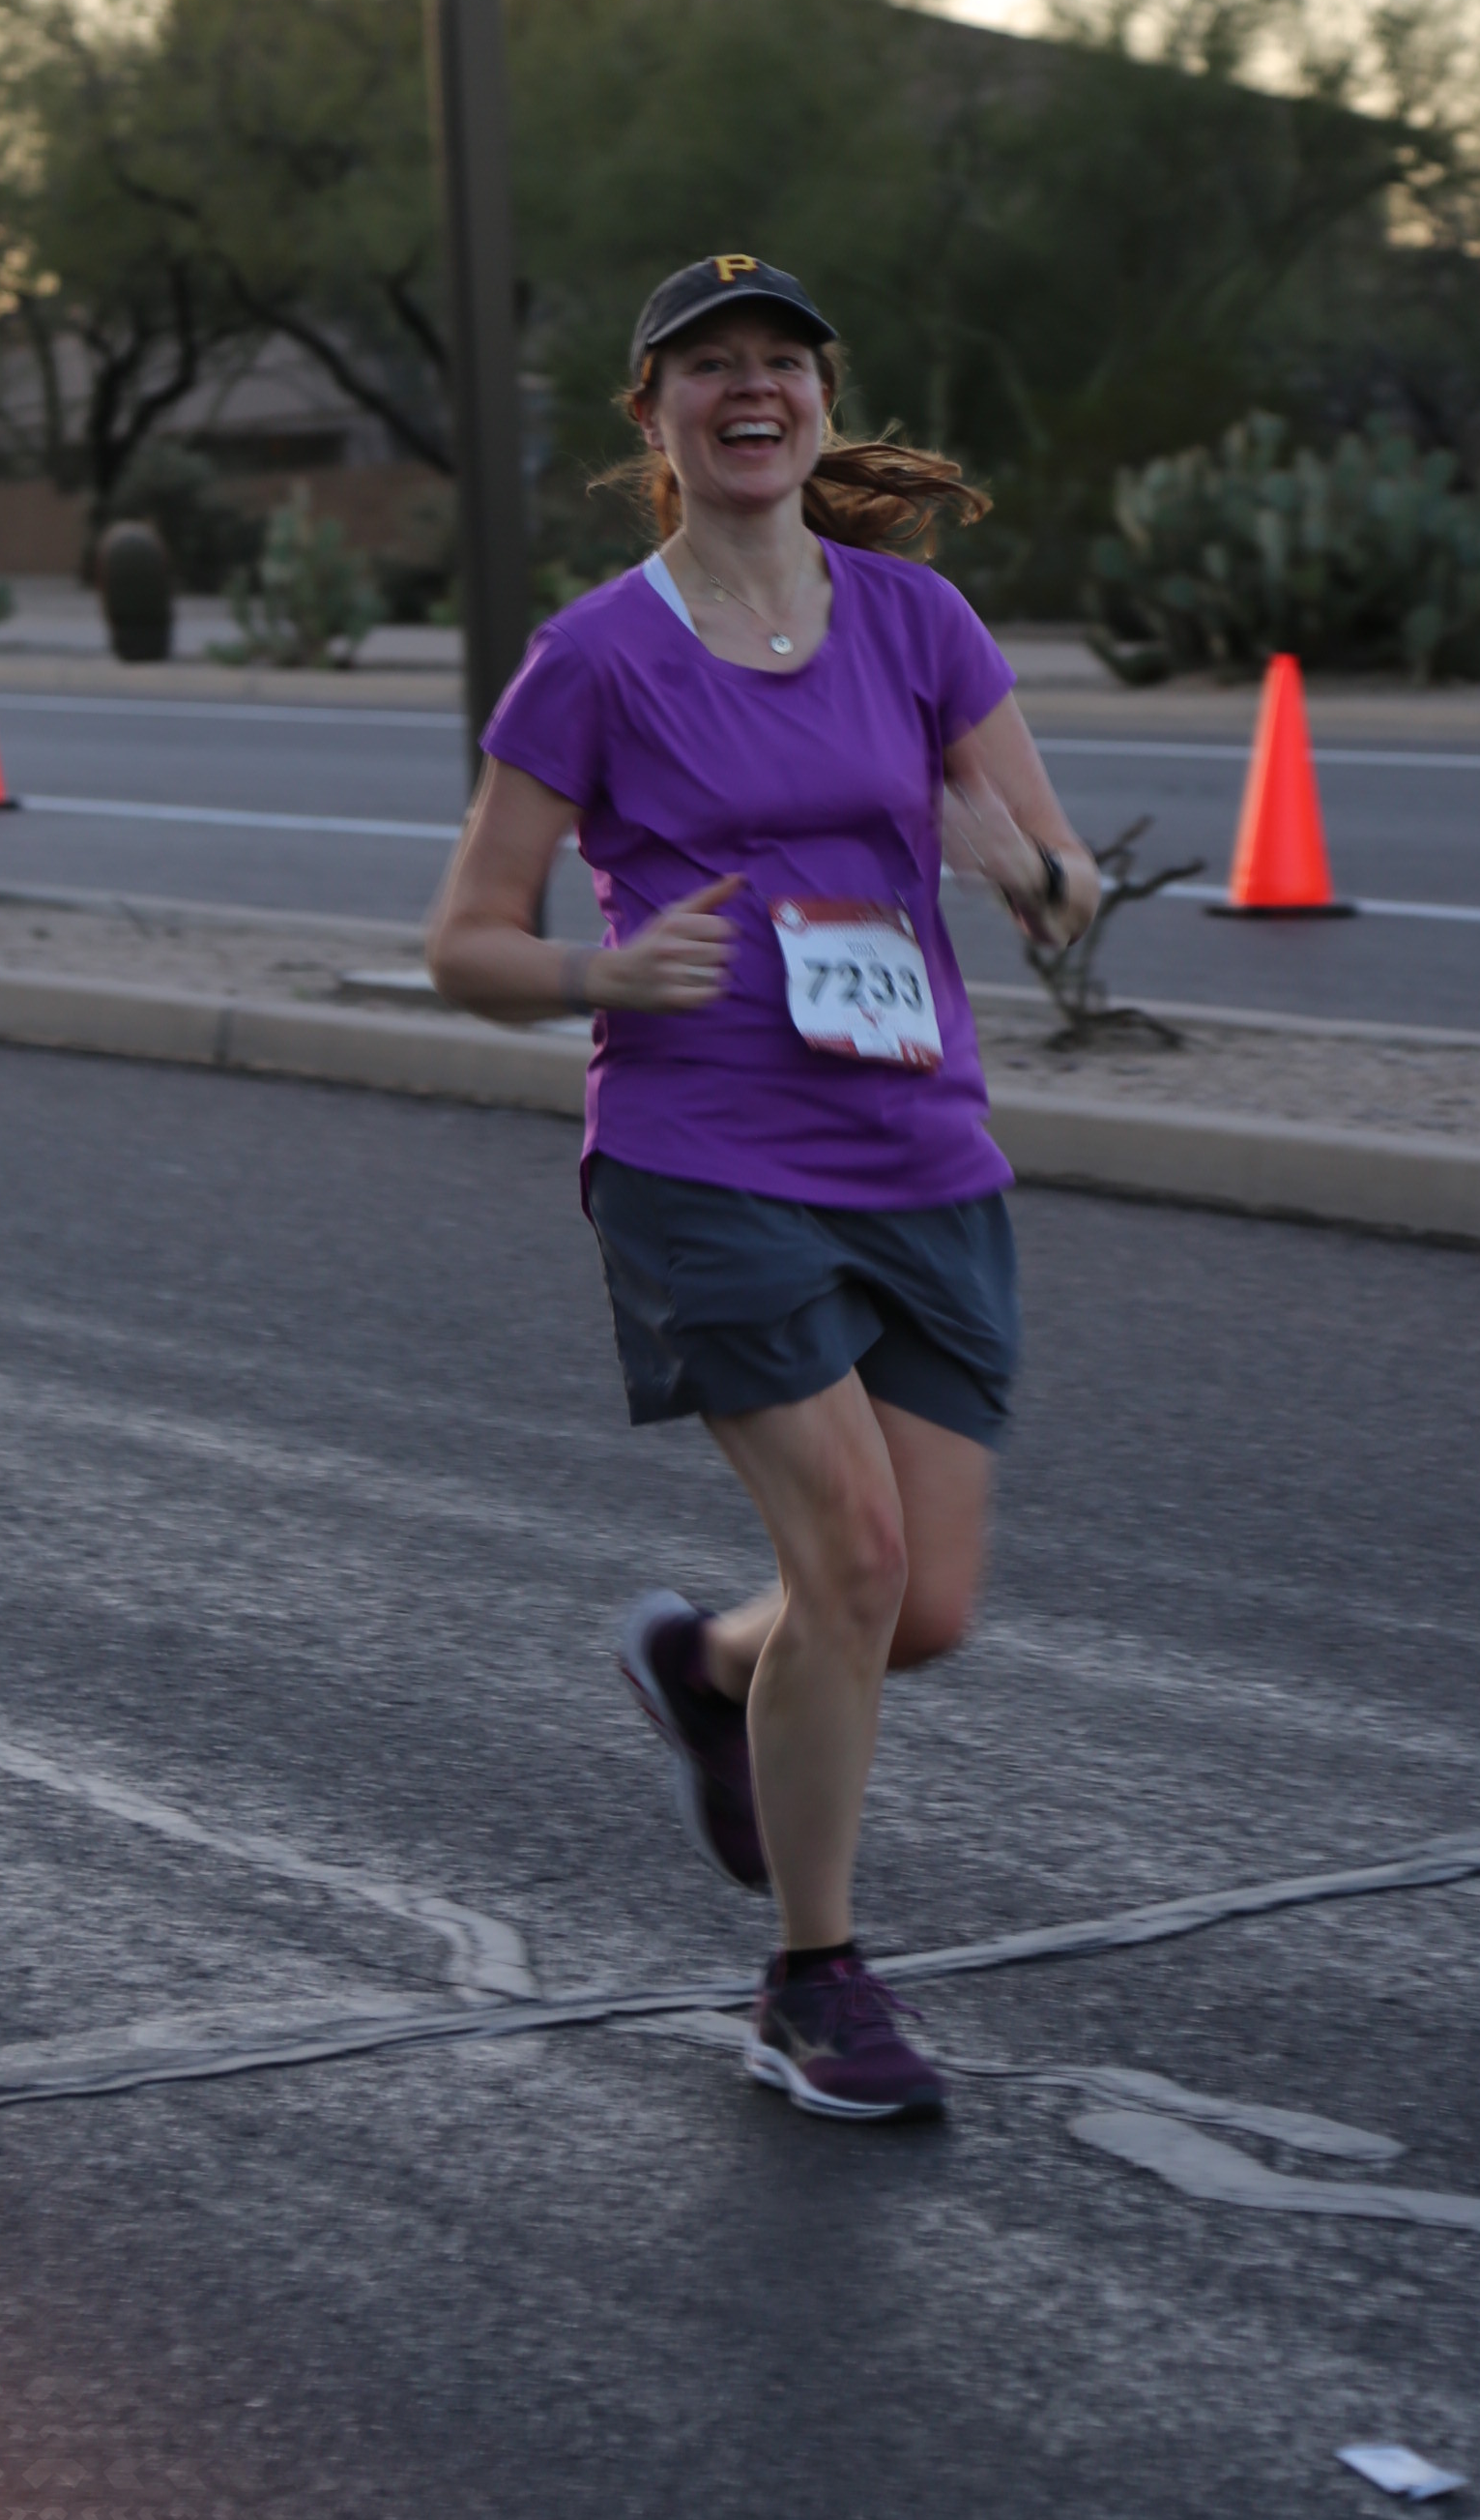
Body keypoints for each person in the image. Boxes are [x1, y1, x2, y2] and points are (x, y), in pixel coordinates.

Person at [427, 255, 1099, 2122]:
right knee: (855, 1560)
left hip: (919, 1146)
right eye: (709, 365)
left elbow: (1067, 893)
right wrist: (601, 974)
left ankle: (713, 1668)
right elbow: (467, 941)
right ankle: (814, 1983)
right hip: (702, 1151)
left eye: (782, 363)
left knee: (920, 1607)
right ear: (653, 416)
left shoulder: (919, 622)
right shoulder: (596, 655)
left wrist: (1024, 871)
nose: (753, 389)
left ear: (821, 400)